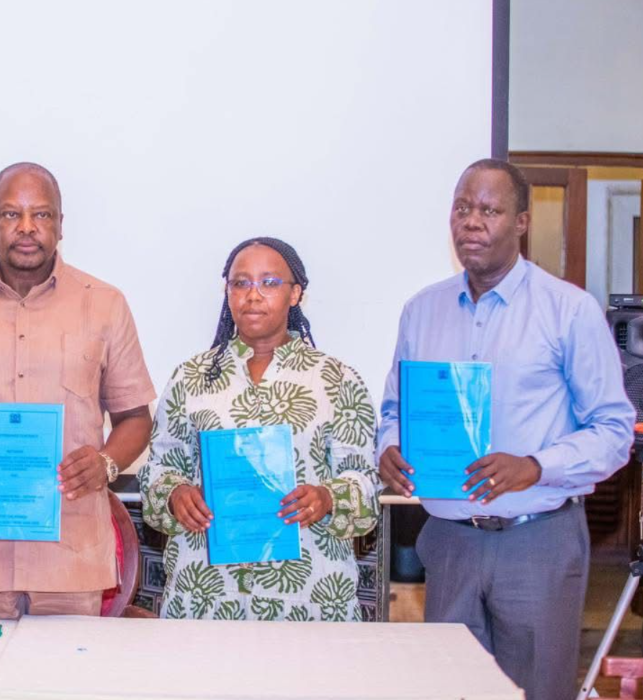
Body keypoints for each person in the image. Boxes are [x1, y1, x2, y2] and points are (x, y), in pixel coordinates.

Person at [377, 159, 634, 700]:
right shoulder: (421, 310)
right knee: (450, 690)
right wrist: (390, 448)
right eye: (462, 208)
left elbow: (613, 430)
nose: (472, 222)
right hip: (449, 542)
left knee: (537, 689)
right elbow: (394, 409)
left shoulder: (568, 311)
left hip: (536, 537)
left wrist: (535, 465)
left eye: (489, 210)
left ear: (521, 222)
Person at [0, 162, 155, 619]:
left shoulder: (105, 304)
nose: (27, 228)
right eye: (10, 214)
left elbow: (135, 418)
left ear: (60, 225)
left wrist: (107, 463)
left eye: (42, 215)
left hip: (72, 555)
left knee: (66, 686)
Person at [140, 237, 380, 621]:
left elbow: (367, 487)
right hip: (206, 592)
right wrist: (175, 494)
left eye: (269, 283)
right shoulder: (191, 379)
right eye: (241, 283)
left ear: (296, 293)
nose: (253, 295)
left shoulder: (337, 380)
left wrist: (326, 498)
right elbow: (156, 473)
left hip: (308, 596)